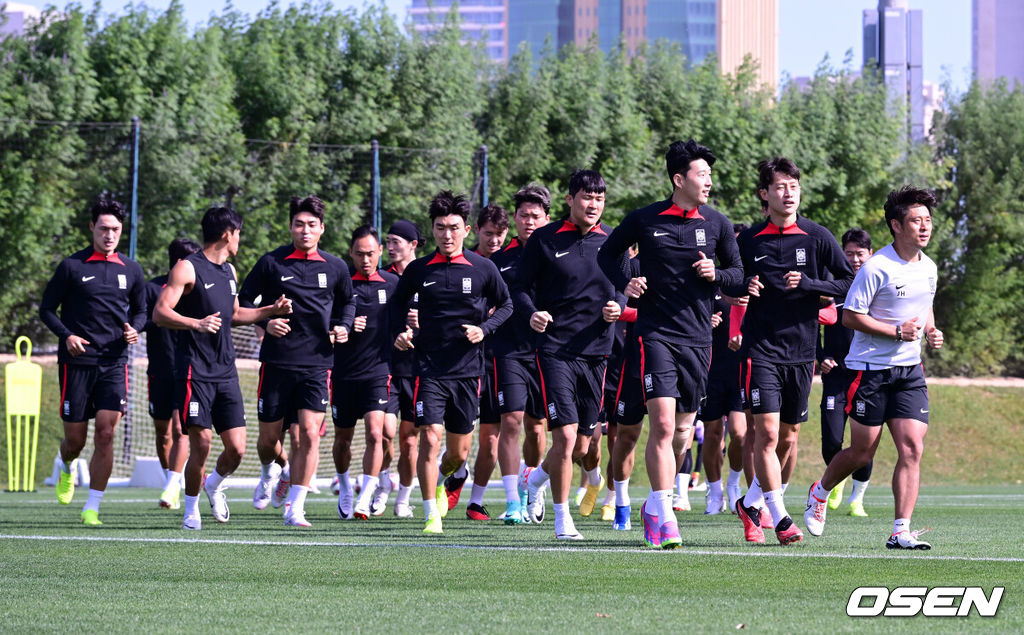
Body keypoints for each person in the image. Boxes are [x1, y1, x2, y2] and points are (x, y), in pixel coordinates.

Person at [598, 140, 743, 549]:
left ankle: (651, 506)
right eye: (702, 175)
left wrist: (716, 272)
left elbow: (737, 274)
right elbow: (608, 255)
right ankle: (663, 513)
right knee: (661, 425)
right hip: (655, 334)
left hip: (698, 338)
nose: (709, 182)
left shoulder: (717, 224)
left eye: (710, 176)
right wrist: (626, 278)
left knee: (682, 431)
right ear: (679, 179)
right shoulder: (644, 219)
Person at [804, 186, 943, 550]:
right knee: (862, 452)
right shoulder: (876, 267)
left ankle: (901, 530)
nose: (925, 227)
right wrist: (896, 331)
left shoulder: (929, 267)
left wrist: (930, 330)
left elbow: (925, 304)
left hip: (910, 371)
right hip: (870, 371)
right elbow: (849, 317)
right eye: (917, 220)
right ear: (897, 225)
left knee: (912, 448)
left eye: (928, 220)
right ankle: (820, 492)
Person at [733, 157, 854, 546]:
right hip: (761, 350)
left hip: (802, 353)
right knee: (765, 434)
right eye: (781, 187)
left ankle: (749, 504)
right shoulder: (748, 241)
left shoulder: (817, 236)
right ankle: (781, 517)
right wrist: (742, 288)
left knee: (788, 438)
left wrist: (811, 284)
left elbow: (849, 281)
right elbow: (726, 284)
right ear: (764, 194)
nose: (788, 193)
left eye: (794, 186)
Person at [155, 206, 292, 530]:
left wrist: (270, 310)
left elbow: (234, 314)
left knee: (237, 449)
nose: (239, 239)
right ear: (228, 234)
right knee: (201, 442)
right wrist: (195, 323)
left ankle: (213, 484)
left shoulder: (229, 271)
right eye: (239, 233)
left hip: (225, 371)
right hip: (194, 371)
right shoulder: (186, 269)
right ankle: (190, 510)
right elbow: (160, 313)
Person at [389, 191, 513, 534]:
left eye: (454, 228)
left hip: (468, 370)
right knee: (429, 436)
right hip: (427, 368)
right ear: (433, 229)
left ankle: (453, 475)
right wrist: (400, 333)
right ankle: (431, 513)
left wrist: (483, 330)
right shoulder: (418, 270)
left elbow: (506, 306)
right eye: (441, 227)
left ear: (467, 229)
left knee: (458, 452)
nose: (447, 234)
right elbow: (396, 308)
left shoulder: (483, 268)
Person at [517, 169, 629, 541]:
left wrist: (619, 303)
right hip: (555, 350)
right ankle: (563, 520)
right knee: (564, 438)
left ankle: (534, 480)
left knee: (583, 445)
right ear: (570, 200)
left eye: (599, 198)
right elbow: (518, 289)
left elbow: (625, 286)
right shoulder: (544, 240)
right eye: (586, 197)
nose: (593, 204)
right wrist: (532, 312)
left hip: (598, 351)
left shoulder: (613, 241)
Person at [238, 196, 354, 526]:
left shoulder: (336, 267)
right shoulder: (271, 263)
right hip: (276, 363)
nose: (305, 230)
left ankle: (296, 507)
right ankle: (269, 472)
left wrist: (343, 326)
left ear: (322, 229)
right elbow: (244, 301)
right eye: (299, 224)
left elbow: (348, 304)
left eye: (312, 225)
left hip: (317, 364)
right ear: (290, 227)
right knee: (268, 441)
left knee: (308, 435)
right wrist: (264, 322)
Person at [39, 199, 147, 526]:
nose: (110, 234)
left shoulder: (132, 269)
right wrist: (67, 335)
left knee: (105, 433)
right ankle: (67, 464)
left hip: (115, 363)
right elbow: (46, 309)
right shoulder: (72, 267)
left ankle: (92, 508)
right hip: (77, 364)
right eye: (104, 229)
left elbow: (141, 311)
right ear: (92, 228)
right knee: (76, 440)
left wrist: (135, 329)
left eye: (115, 229)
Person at [492, 185, 551, 524]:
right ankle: (513, 500)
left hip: (548, 352)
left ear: (546, 218)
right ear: (514, 219)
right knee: (510, 422)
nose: (529, 221)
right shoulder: (499, 261)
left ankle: (534, 486)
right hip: (509, 350)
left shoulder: (556, 254)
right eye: (524, 216)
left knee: (538, 426)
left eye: (536, 216)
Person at [332, 225, 399, 520]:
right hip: (344, 373)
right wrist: (342, 326)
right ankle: (346, 486)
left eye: (370, 253)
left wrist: (409, 329)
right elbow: (327, 320)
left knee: (376, 433)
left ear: (380, 252)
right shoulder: (341, 284)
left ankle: (366, 496)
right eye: (359, 254)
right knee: (342, 440)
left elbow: (405, 319)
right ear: (351, 253)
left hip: (378, 371)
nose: (365, 259)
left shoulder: (393, 284)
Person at [448, 204, 510, 521]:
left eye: (500, 234)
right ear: (476, 232)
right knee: (458, 437)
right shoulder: (464, 263)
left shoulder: (512, 262)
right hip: (460, 363)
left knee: (491, 436)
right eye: (489, 234)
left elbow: (510, 305)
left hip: (501, 360)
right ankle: (457, 472)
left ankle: (476, 501)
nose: (495, 240)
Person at [817, 228, 874, 517]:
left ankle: (857, 499)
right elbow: (810, 323)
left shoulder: (879, 287)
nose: (853, 259)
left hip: (866, 375)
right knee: (831, 439)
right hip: (836, 376)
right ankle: (835, 478)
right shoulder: (832, 287)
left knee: (865, 442)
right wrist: (820, 356)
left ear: (870, 255)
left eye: (859, 254)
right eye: (848, 254)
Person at [147, 238, 202, 510]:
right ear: (180, 262)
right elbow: (143, 318)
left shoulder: (197, 289)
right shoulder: (152, 289)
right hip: (158, 369)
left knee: (182, 429)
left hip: (187, 367)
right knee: (163, 433)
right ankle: (172, 478)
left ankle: (171, 486)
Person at [699, 223, 750, 515]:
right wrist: (706, 324)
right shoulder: (714, 280)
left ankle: (733, 483)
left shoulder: (753, 282)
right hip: (711, 368)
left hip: (743, 370)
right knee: (712, 432)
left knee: (740, 434)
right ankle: (714, 491)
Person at [382, 219, 421, 518]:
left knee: (409, 441)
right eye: (388, 241)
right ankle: (383, 481)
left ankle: (403, 498)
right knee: (383, 432)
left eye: (397, 241)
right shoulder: (380, 278)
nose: (391, 247)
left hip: (419, 370)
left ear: (413, 244)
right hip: (384, 367)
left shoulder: (428, 275)